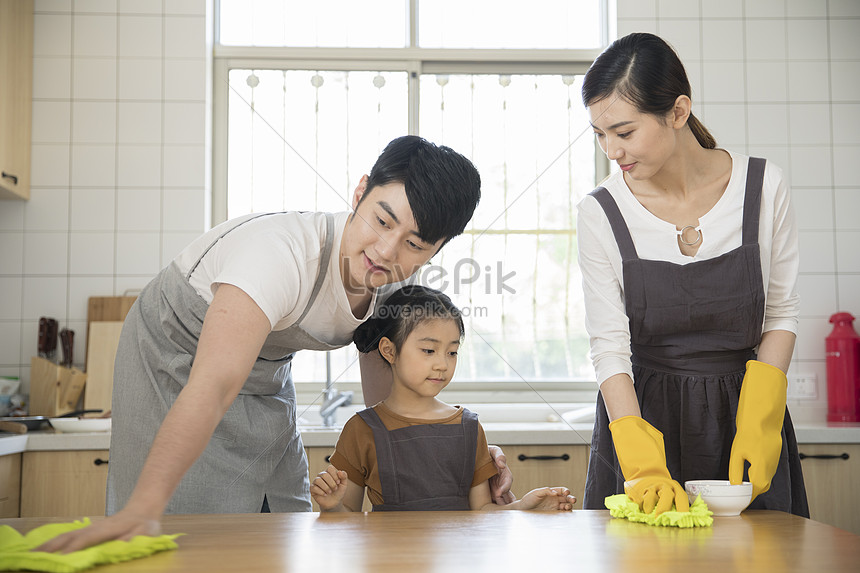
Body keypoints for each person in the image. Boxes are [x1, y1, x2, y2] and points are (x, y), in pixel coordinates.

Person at [38, 136, 515, 554]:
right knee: (184, 525)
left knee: (286, 513)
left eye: (415, 244)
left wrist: (464, 463)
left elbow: (389, 408)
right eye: (381, 220)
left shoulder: (390, 289)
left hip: (264, 367)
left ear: (438, 249)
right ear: (359, 191)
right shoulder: (279, 254)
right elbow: (216, 383)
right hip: (176, 357)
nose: (387, 252)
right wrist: (140, 509)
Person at [576, 33, 808, 517]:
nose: (611, 151)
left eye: (624, 132)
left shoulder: (764, 187)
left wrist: (760, 419)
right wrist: (639, 461)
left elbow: (782, 312)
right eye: (599, 135)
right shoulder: (601, 211)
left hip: (743, 415)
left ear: (678, 112)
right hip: (642, 417)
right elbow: (609, 345)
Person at [310, 285, 576, 512]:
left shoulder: (468, 426)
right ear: (389, 351)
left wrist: (522, 508)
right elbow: (348, 523)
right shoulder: (361, 430)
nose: (442, 364)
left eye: (452, 352)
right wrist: (332, 506)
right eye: (429, 350)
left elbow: (482, 512)